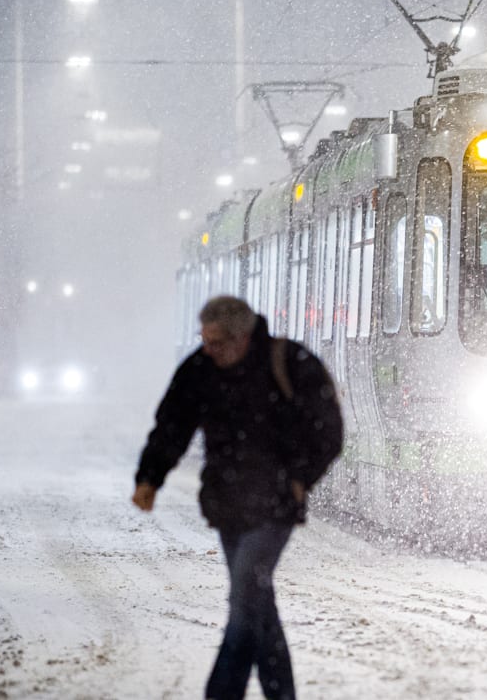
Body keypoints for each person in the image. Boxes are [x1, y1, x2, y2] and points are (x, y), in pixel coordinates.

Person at [131, 296, 343, 700]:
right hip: (227, 506)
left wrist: (300, 478)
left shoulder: (289, 362)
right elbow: (172, 425)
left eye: (217, 342)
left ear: (242, 337)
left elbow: (328, 429)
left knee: (245, 598)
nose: (209, 350)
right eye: (205, 341)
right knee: (257, 603)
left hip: (275, 507)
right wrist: (149, 477)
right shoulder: (201, 369)